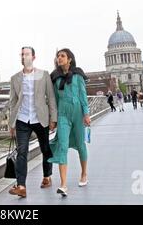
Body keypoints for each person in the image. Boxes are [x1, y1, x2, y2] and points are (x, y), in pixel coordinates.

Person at [8, 46, 57, 198]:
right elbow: (12, 101)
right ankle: (21, 186)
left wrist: (53, 118)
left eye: (27, 54)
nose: (24, 57)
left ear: (33, 57)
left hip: (40, 118)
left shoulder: (44, 75)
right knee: (22, 152)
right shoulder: (15, 78)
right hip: (22, 119)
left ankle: (47, 176)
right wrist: (12, 122)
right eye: (22, 54)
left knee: (45, 148)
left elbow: (51, 97)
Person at [48, 48, 91, 197]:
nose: (59, 58)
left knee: (80, 144)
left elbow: (83, 95)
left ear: (69, 59)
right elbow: (53, 100)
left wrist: (86, 114)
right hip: (63, 115)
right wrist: (53, 119)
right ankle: (63, 184)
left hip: (78, 113)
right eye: (58, 56)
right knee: (62, 146)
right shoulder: (55, 78)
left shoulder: (78, 75)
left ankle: (84, 174)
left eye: (62, 56)